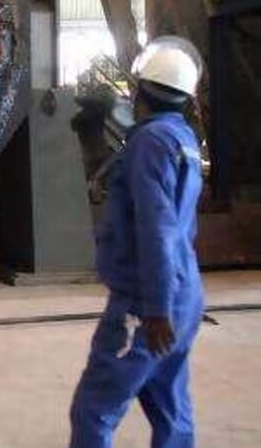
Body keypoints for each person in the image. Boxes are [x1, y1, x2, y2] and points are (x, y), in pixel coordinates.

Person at [70, 36, 205, 448]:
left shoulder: (149, 143)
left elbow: (157, 227)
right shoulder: (182, 140)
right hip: (186, 296)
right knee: (170, 410)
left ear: (140, 90)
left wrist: (155, 309)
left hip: (146, 304)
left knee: (94, 410)